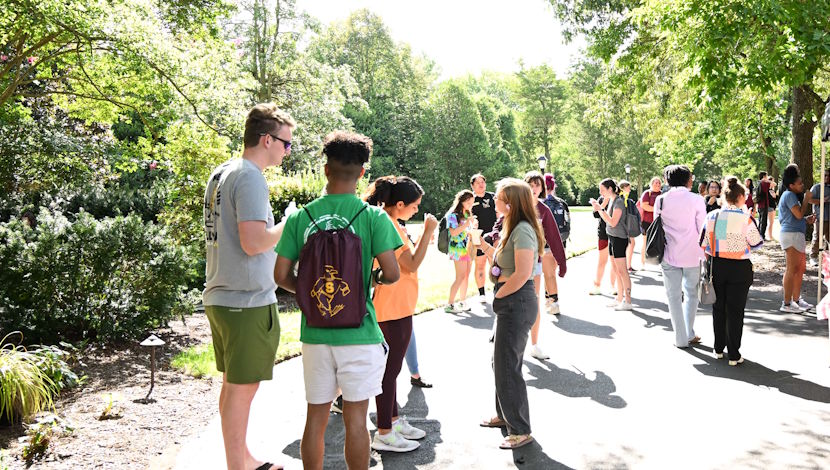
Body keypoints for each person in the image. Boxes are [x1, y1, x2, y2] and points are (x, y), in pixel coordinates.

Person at [274, 131, 401, 470]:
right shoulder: (373, 217)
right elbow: (392, 273)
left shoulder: (300, 218)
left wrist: (308, 297)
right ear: (363, 174)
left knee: (315, 418)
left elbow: (280, 274)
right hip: (360, 333)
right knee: (355, 421)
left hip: (315, 335)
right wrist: (371, 280)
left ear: (325, 169)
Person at [203, 104, 294, 470]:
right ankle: (237, 467)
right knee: (242, 390)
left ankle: (242, 458)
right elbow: (255, 242)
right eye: (287, 144)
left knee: (233, 386)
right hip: (246, 301)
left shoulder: (222, 172)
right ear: (267, 139)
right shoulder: (251, 176)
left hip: (222, 296)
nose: (288, 151)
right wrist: (290, 221)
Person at [364, 175, 438, 452]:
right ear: (399, 204)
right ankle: (384, 431)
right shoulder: (389, 224)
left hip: (397, 305)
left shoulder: (392, 222)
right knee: (389, 372)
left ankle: (392, 420)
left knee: (391, 371)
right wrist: (429, 230)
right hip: (390, 308)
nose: (417, 210)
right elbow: (412, 265)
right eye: (414, 206)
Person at [478, 178, 545, 450]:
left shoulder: (523, 230)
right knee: (500, 362)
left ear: (511, 203)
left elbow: (522, 273)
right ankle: (504, 416)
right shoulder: (511, 227)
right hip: (510, 300)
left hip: (515, 301)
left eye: (498, 197)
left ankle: (520, 429)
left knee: (508, 365)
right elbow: (504, 263)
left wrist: (499, 296)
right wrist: (485, 248)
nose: (494, 200)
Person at [701, 177, 763, 366]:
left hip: (717, 265)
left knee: (718, 307)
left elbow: (704, 243)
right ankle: (734, 353)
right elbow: (756, 243)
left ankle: (718, 348)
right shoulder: (746, 219)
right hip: (739, 268)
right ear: (741, 197)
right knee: (736, 310)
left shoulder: (713, 216)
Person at [654, 165, 706, 348]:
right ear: (687, 180)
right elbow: (702, 229)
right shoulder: (697, 199)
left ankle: (681, 337)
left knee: (673, 297)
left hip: (669, 253)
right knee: (692, 294)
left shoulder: (660, 200)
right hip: (694, 254)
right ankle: (689, 332)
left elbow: (657, 227)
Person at [523, 171, 567, 359]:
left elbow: (555, 238)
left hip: (535, 264)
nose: (533, 189)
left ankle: (534, 344)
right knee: (513, 303)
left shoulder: (544, 210)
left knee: (533, 302)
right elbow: (500, 227)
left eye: (537, 186)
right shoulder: (517, 206)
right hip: (513, 264)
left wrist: (562, 262)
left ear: (542, 189)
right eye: (530, 185)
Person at [777, 164, 815, 313]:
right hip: (790, 235)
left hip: (796, 234)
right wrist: (806, 200)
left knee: (799, 269)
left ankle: (796, 300)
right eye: (799, 184)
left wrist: (806, 220)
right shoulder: (789, 195)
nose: (802, 185)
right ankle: (786, 303)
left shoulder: (791, 196)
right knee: (791, 269)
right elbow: (798, 214)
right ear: (791, 185)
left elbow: (796, 217)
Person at [590, 179, 633, 310]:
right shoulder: (612, 201)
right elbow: (607, 221)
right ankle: (619, 298)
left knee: (622, 271)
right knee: (616, 270)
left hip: (619, 239)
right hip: (612, 237)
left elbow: (613, 222)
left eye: (602, 190)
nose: (601, 193)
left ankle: (628, 301)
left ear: (610, 189)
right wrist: (600, 208)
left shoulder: (618, 202)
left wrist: (600, 209)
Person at [542, 173, 570, 314]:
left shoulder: (541, 204)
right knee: (550, 272)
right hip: (560, 241)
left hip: (546, 243)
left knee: (548, 274)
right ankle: (548, 299)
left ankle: (554, 302)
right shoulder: (561, 202)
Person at [445, 190, 476, 313]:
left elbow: (466, 231)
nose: (470, 204)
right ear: (461, 201)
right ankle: (450, 304)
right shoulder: (452, 215)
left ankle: (463, 301)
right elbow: (453, 233)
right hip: (457, 249)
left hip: (466, 247)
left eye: (471, 201)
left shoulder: (467, 213)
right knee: (460, 277)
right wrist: (467, 224)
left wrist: (472, 226)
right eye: (468, 201)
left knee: (466, 275)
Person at [471, 174, 498, 298]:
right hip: (478, 237)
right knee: (480, 264)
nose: (481, 184)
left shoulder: (493, 197)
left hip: (494, 236)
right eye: (478, 183)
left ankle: (496, 288)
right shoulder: (471, 199)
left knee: (495, 263)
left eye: (483, 182)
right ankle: (481, 293)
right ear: (472, 186)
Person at [590, 196, 618, 295]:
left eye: (603, 190)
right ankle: (597, 286)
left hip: (615, 234)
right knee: (602, 261)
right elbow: (595, 215)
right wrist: (604, 203)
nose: (601, 192)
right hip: (603, 234)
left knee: (614, 262)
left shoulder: (617, 199)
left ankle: (613, 286)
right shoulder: (602, 199)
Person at [639, 177, 662, 267]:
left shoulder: (662, 194)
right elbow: (644, 206)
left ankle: (660, 262)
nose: (657, 185)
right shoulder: (647, 193)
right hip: (647, 222)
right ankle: (643, 263)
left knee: (660, 242)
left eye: (659, 183)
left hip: (659, 222)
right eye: (655, 183)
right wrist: (657, 210)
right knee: (645, 243)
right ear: (651, 184)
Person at [809, 169, 830, 266]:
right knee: (817, 237)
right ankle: (813, 257)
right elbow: (809, 200)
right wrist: (822, 200)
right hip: (821, 217)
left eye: (829, 176)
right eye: (825, 175)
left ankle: (827, 257)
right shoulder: (817, 187)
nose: (827, 178)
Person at [618, 180, 637, 271]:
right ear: (623, 188)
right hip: (622, 225)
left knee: (631, 243)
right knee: (628, 244)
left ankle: (627, 265)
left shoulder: (625, 198)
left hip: (626, 225)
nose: (630, 190)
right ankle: (626, 265)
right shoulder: (620, 198)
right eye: (628, 188)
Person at [757, 171, 778, 240]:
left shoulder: (759, 183)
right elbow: (774, 184)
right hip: (764, 204)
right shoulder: (763, 183)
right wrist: (767, 180)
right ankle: (762, 236)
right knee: (763, 221)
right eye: (766, 176)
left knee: (760, 221)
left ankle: (759, 235)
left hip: (760, 205)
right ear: (764, 177)